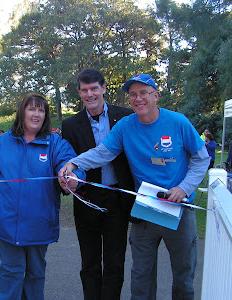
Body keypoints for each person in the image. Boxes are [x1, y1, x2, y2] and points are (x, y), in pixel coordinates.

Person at [58, 73, 210, 300]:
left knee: (183, 276)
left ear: (156, 96)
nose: (138, 99)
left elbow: (202, 158)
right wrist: (74, 162)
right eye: (133, 95)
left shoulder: (178, 122)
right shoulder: (125, 125)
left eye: (143, 93)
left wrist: (184, 188)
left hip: (178, 208)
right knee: (140, 276)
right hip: (144, 210)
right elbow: (103, 153)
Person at [0, 93, 85, 300]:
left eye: (41, 110)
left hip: (39, 222)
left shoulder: (55, 143)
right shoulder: (1, 143)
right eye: (32, 109)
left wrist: (73, 178)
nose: (37, 114)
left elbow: (71, 165)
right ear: (22, 112)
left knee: (35, 273)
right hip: (6, 221)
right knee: (11, 271)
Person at [61, 68, 134, 300]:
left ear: (103, 88)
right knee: (90, 263)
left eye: (94, 88)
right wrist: (69, 177)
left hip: (117, 199)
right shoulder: (71, 124)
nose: (90, 94)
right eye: (84, 90)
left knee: (115, 262)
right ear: (79, 93)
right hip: (87, 199)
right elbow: (69, 158)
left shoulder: (125, 116)